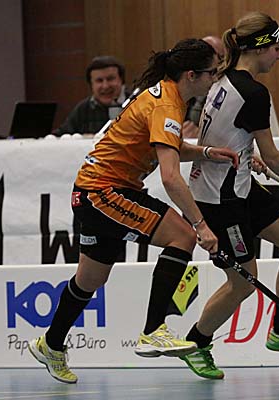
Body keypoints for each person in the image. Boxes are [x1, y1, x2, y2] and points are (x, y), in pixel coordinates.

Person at [28, 38, 238, 384]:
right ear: (191, 75)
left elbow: (167, 147)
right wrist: (201, 225)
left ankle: (50, 344)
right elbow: (170, 177)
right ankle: (154, 330)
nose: (214, 79)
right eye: (211, 73)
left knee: (91, 279)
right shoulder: (167, 104)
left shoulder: (166, 96)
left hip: (90, 191)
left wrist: (205, 152)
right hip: (103, 192)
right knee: (183, 236)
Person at [181, 12, 279, 380]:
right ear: (260, 48)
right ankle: (196, 343)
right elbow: (273, 154)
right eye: (277, 48)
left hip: (239, 183)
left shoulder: (224, 80)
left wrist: (245, 153)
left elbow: (228, 133)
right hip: (220, 199)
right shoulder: (254, 93)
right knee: (243, 282)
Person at [57, 56, 129, 134]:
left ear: (121, 80)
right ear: (91, 85)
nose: (105, 86)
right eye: (99, 81)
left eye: (110, 79)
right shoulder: (83, 109)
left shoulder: (135, 104)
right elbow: (60, 136)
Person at [183, 36, 225, 138]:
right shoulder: (183, 84)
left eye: (220, 59)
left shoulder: (228, 91)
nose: (215, 64)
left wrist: (201, 133)